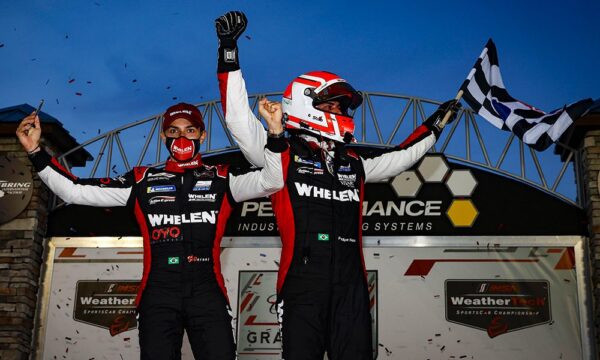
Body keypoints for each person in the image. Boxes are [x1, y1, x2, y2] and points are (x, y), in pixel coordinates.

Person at [215, 11, 461, 360]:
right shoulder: (278, 153)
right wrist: (228, 53)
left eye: (341, 105)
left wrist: (433, 127)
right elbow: (238, 119)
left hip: (350, 285)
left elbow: (400, 158)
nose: (340, 110)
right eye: (331, 103)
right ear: (304, 104)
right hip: (302, 285)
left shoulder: (353, 163)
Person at [16, 101, 289, 360]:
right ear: (163, 137)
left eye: (190, 130)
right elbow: (74, 191)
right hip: (158, 293)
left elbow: (273, 180)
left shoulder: (222, 178)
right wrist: (35, 152)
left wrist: (275, 133)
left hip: (207, 292)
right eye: (174, 131)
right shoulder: (141, 181)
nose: (182, 137)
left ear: (203, 136)